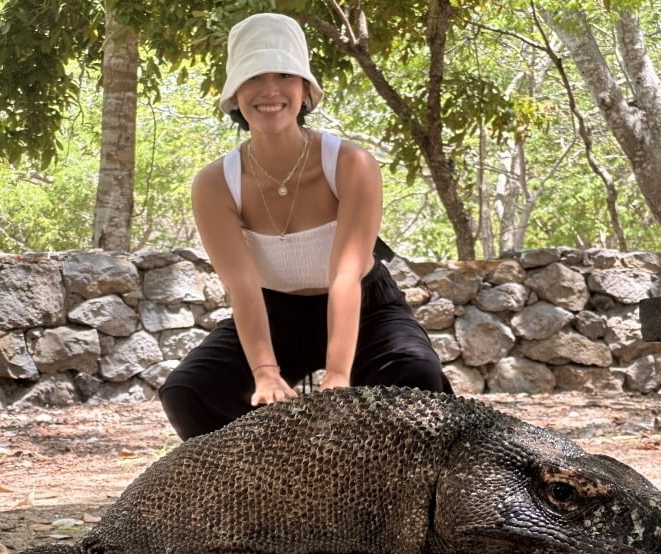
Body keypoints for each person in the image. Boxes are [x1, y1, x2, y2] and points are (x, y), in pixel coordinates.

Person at [159, 12, 452, 441]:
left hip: (365, 307)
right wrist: (264, 372)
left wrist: (337, 375)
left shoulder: (352, 164)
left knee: (416, 375)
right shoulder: (215, 183)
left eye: (283, 75)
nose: (270, 91)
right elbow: (242, 285)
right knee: (188, 392)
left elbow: (345, 275)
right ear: (234, 93)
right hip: (274, 312)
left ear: (304, 89)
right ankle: (272, 489)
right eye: (254, 77)